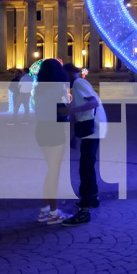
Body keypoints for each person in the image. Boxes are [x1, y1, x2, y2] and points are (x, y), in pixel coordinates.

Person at [61, 63, 107, 227]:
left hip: (93, 128)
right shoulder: (78, 87)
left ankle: (87, 201)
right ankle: (92, 197)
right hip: (92, 129)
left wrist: (70, 112)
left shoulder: (80, 83)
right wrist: (75, 135)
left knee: (86, 165)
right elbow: (82, 111)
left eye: (65, 74)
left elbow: (93, 103)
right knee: (88, 163)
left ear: (70, 72)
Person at [34, 59, 71, 225]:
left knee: (50, 171)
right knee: (54, 172)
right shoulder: (58, 87)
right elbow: (63, 109)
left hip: (41, 129)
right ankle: (54, 212)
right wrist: (79, 107)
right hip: (54, 130)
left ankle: (44, 210)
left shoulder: (39, 89)